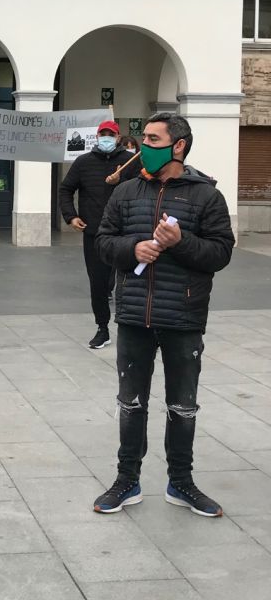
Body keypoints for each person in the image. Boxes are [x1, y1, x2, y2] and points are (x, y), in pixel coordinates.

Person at [93, 113, 234, 518]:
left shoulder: (206, 196)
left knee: (182, 406)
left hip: (184, 318)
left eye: (153, 140)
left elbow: (221, 253)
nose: (143, 148)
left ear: (178, 146)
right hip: (136, 314)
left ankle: (181, 483)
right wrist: (133, 248)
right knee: (131, 403)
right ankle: (127, 480)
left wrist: (182, 241)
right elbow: (104, 242)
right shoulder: (126, 193)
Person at [59, 119, 141, 350]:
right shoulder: (83, 162)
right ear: (97, 137)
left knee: (132, 281)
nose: (106, 137)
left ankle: (135, 328)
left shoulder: (130, 161)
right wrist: (71, 216)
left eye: (110, 134)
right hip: (95, 233)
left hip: (127, 233)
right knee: (98, 283)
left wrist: (121, 179)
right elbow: (66, 189)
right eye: (102, 134)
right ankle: (102, 328)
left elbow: (146, 185)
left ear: (117, 138)